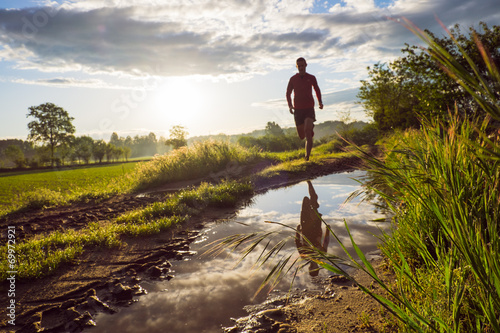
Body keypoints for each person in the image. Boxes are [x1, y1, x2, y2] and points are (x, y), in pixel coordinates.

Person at [286, 57, 323, 161]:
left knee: (307, 131)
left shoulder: (311, 77)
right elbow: (288, 93)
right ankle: (310, 131)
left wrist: (320, 101)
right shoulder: (293, 79)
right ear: (297, 67)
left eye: (303, 65)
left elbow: (317, 89)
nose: (301, 68)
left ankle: (307, 157)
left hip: (309, 108)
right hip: (298, 110)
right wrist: (290, 105)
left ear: (306, 65)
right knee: (302, 136)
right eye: (299, 66)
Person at [295, 181, 329, 277]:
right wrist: (328, 230)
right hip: (316, 227)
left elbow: (298, 243)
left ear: (309, 268)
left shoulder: (305, 256)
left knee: (306, 201)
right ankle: (309, 182)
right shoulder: (321, 255)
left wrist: (297, 232)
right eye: (315, 269)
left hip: (305, 227)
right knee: (313, 203)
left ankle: (313, 197)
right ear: (318, 268)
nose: (313, 267)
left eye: (311, 269)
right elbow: (326, 241)